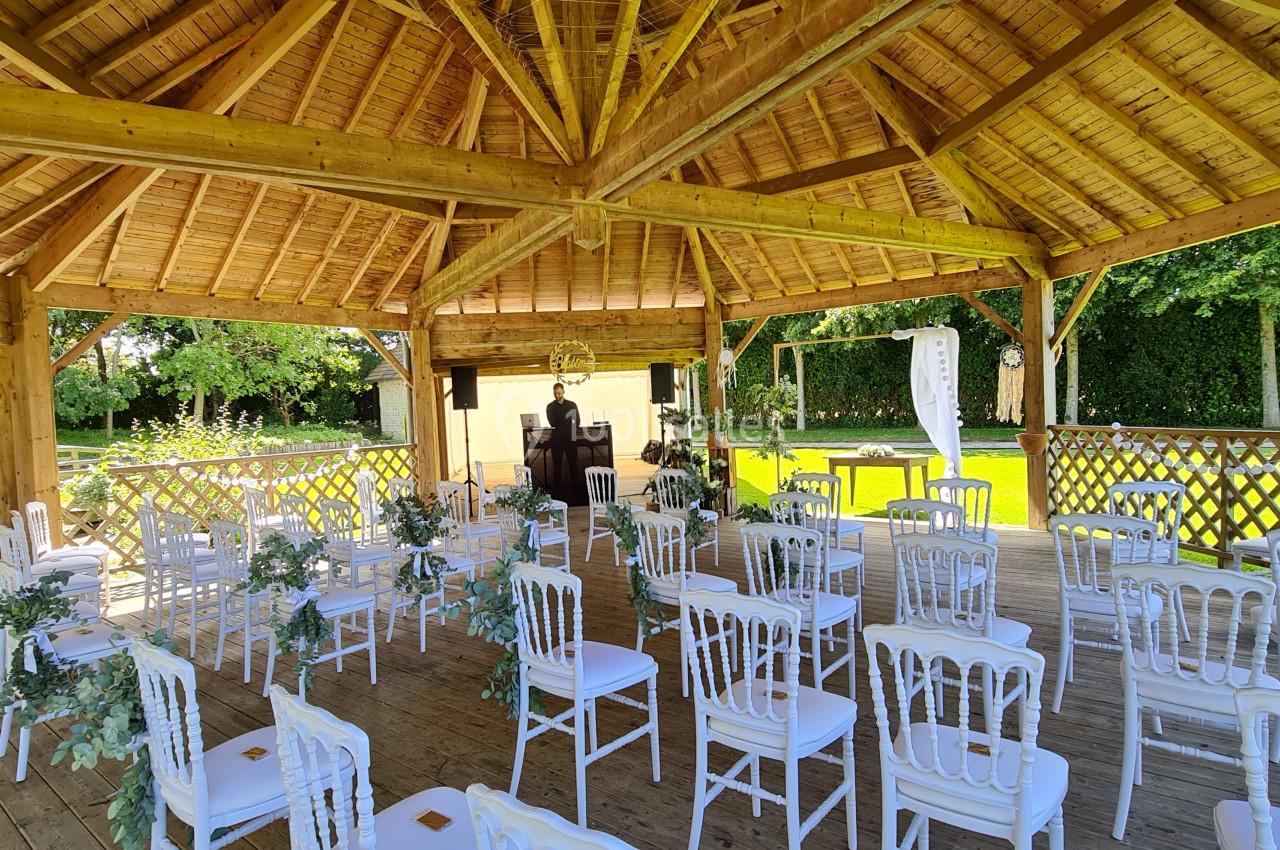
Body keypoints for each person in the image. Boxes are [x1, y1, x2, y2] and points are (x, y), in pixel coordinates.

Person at [546, 383, 580, 487]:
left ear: (563, 392)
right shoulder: (550, 406)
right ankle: (558, 492)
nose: (557, 395)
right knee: (557, 467)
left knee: (573, 465)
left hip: (569, 439)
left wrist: (563, 425)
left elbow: (577, 421)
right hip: (557, 441)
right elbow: (552, 422)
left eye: (559, 393)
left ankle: (575, 490)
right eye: (555, 393)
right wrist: (567, 424)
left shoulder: (571, 404)